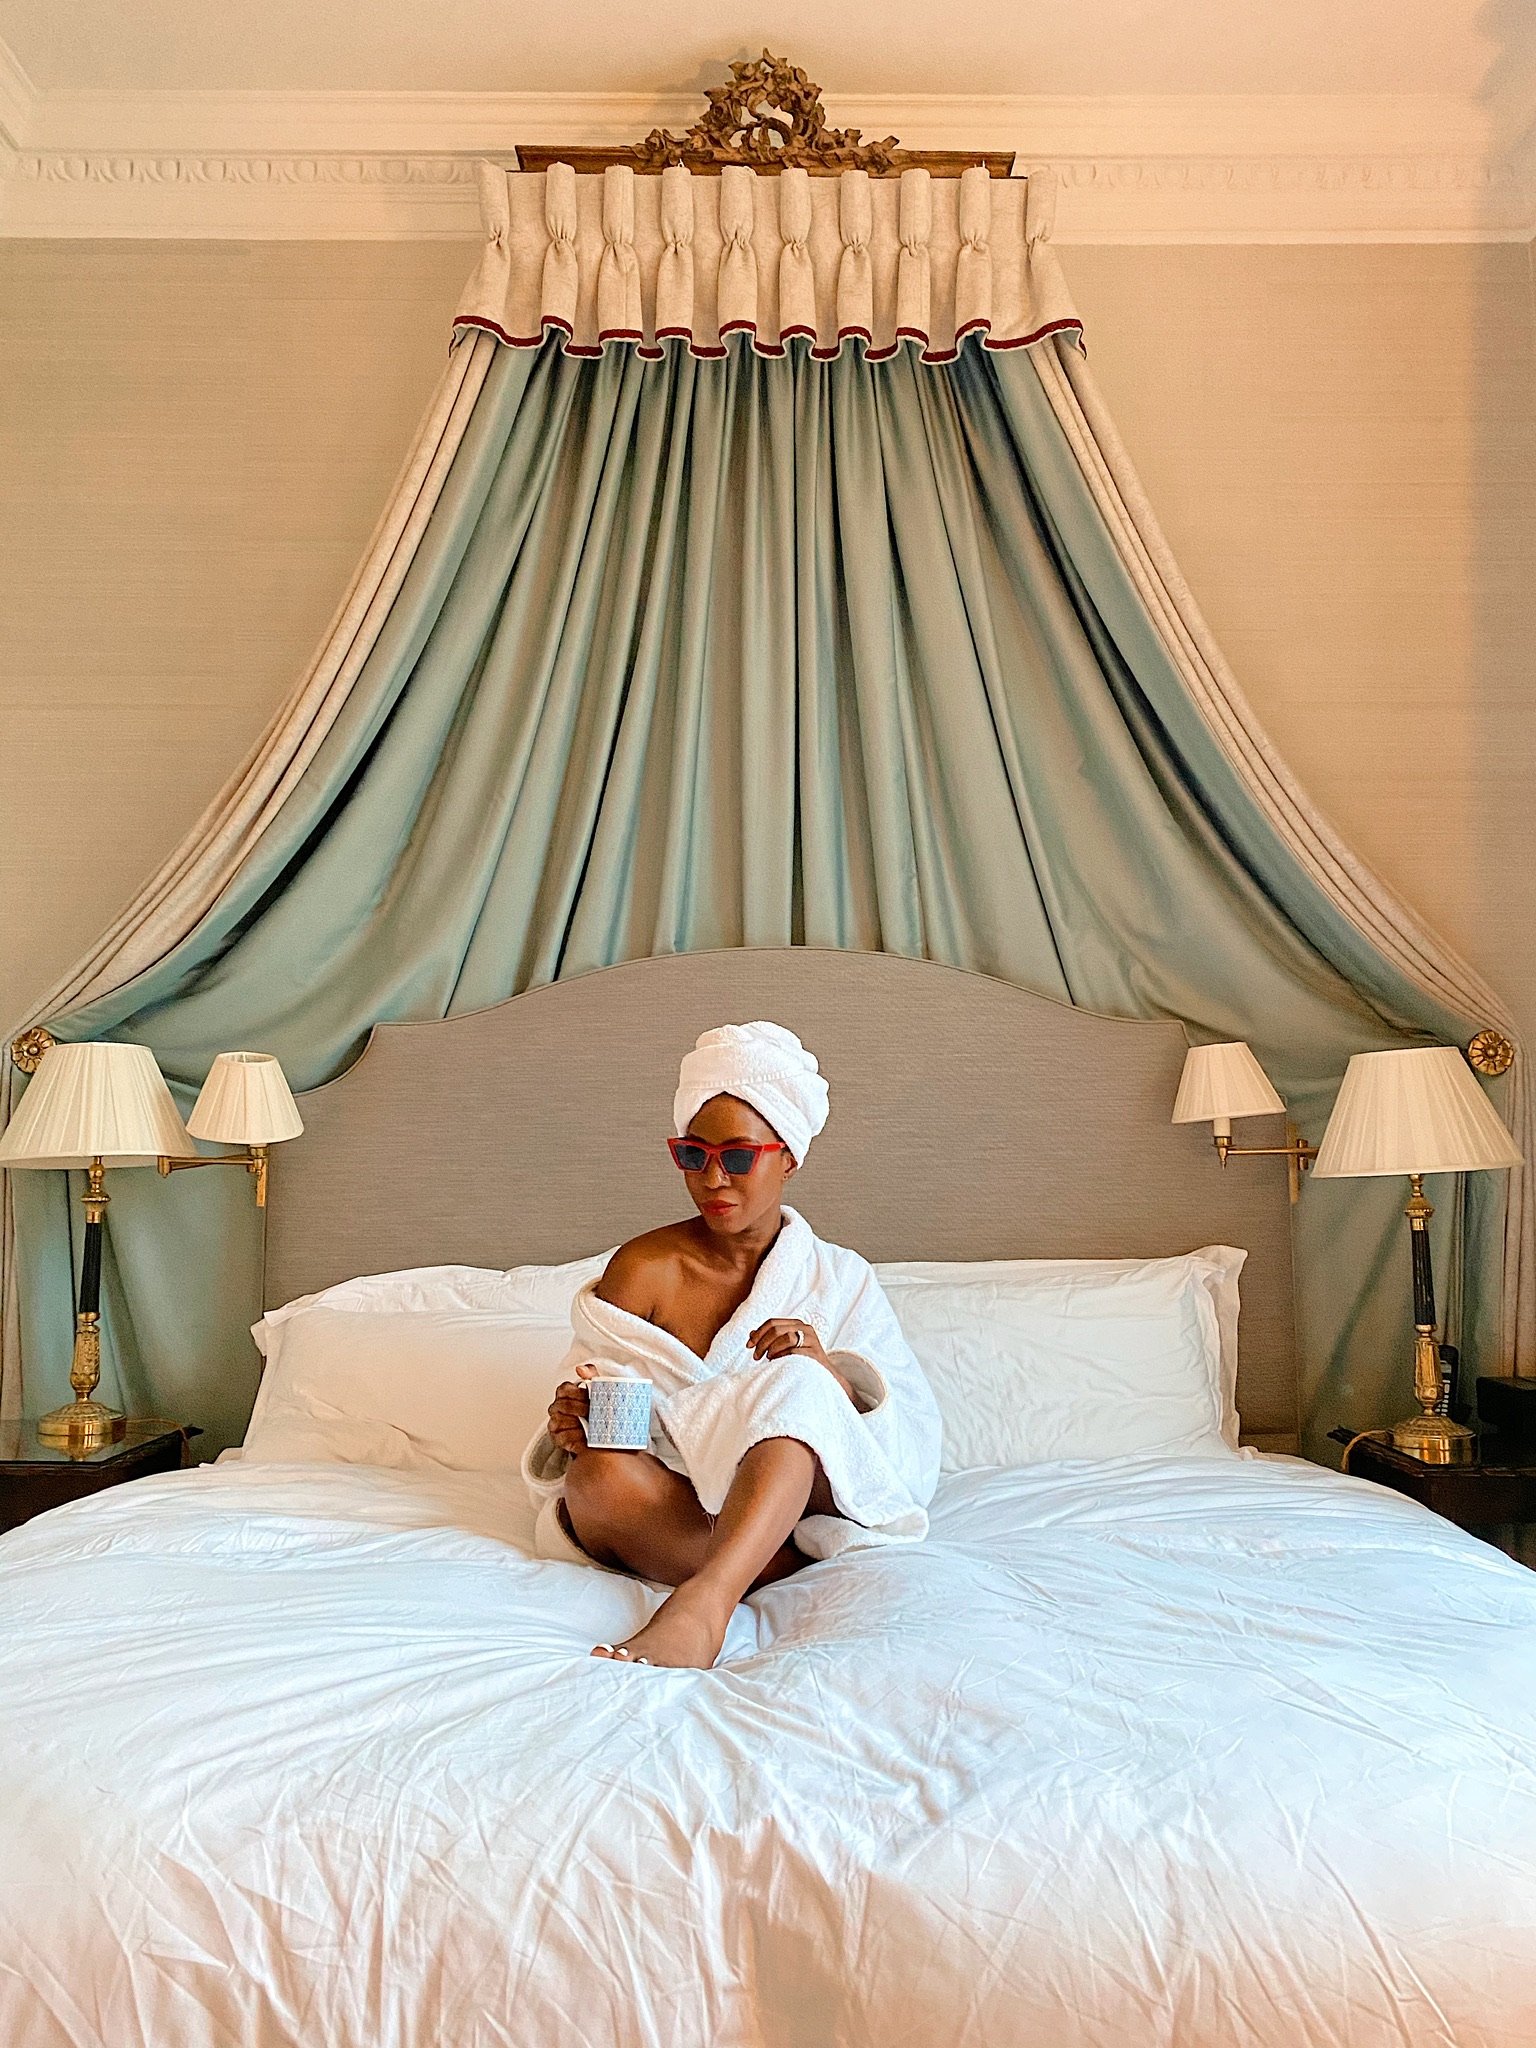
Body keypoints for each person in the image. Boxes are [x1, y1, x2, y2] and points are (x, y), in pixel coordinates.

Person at [521, 1021, 942, 1670]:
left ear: (789, 1157)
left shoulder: (840, 1277)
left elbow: (903, 1444)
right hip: (682, 1505)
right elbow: (599, 1385)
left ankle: (702, 1606)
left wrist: (822, 1368)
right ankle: (753, 1558)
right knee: (598, 1475)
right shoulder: (643, 1268)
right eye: (693, 1155)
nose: (713, 1178)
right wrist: (573, 1418)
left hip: (793, 1497)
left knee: (799, 1385)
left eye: (738, 1156)